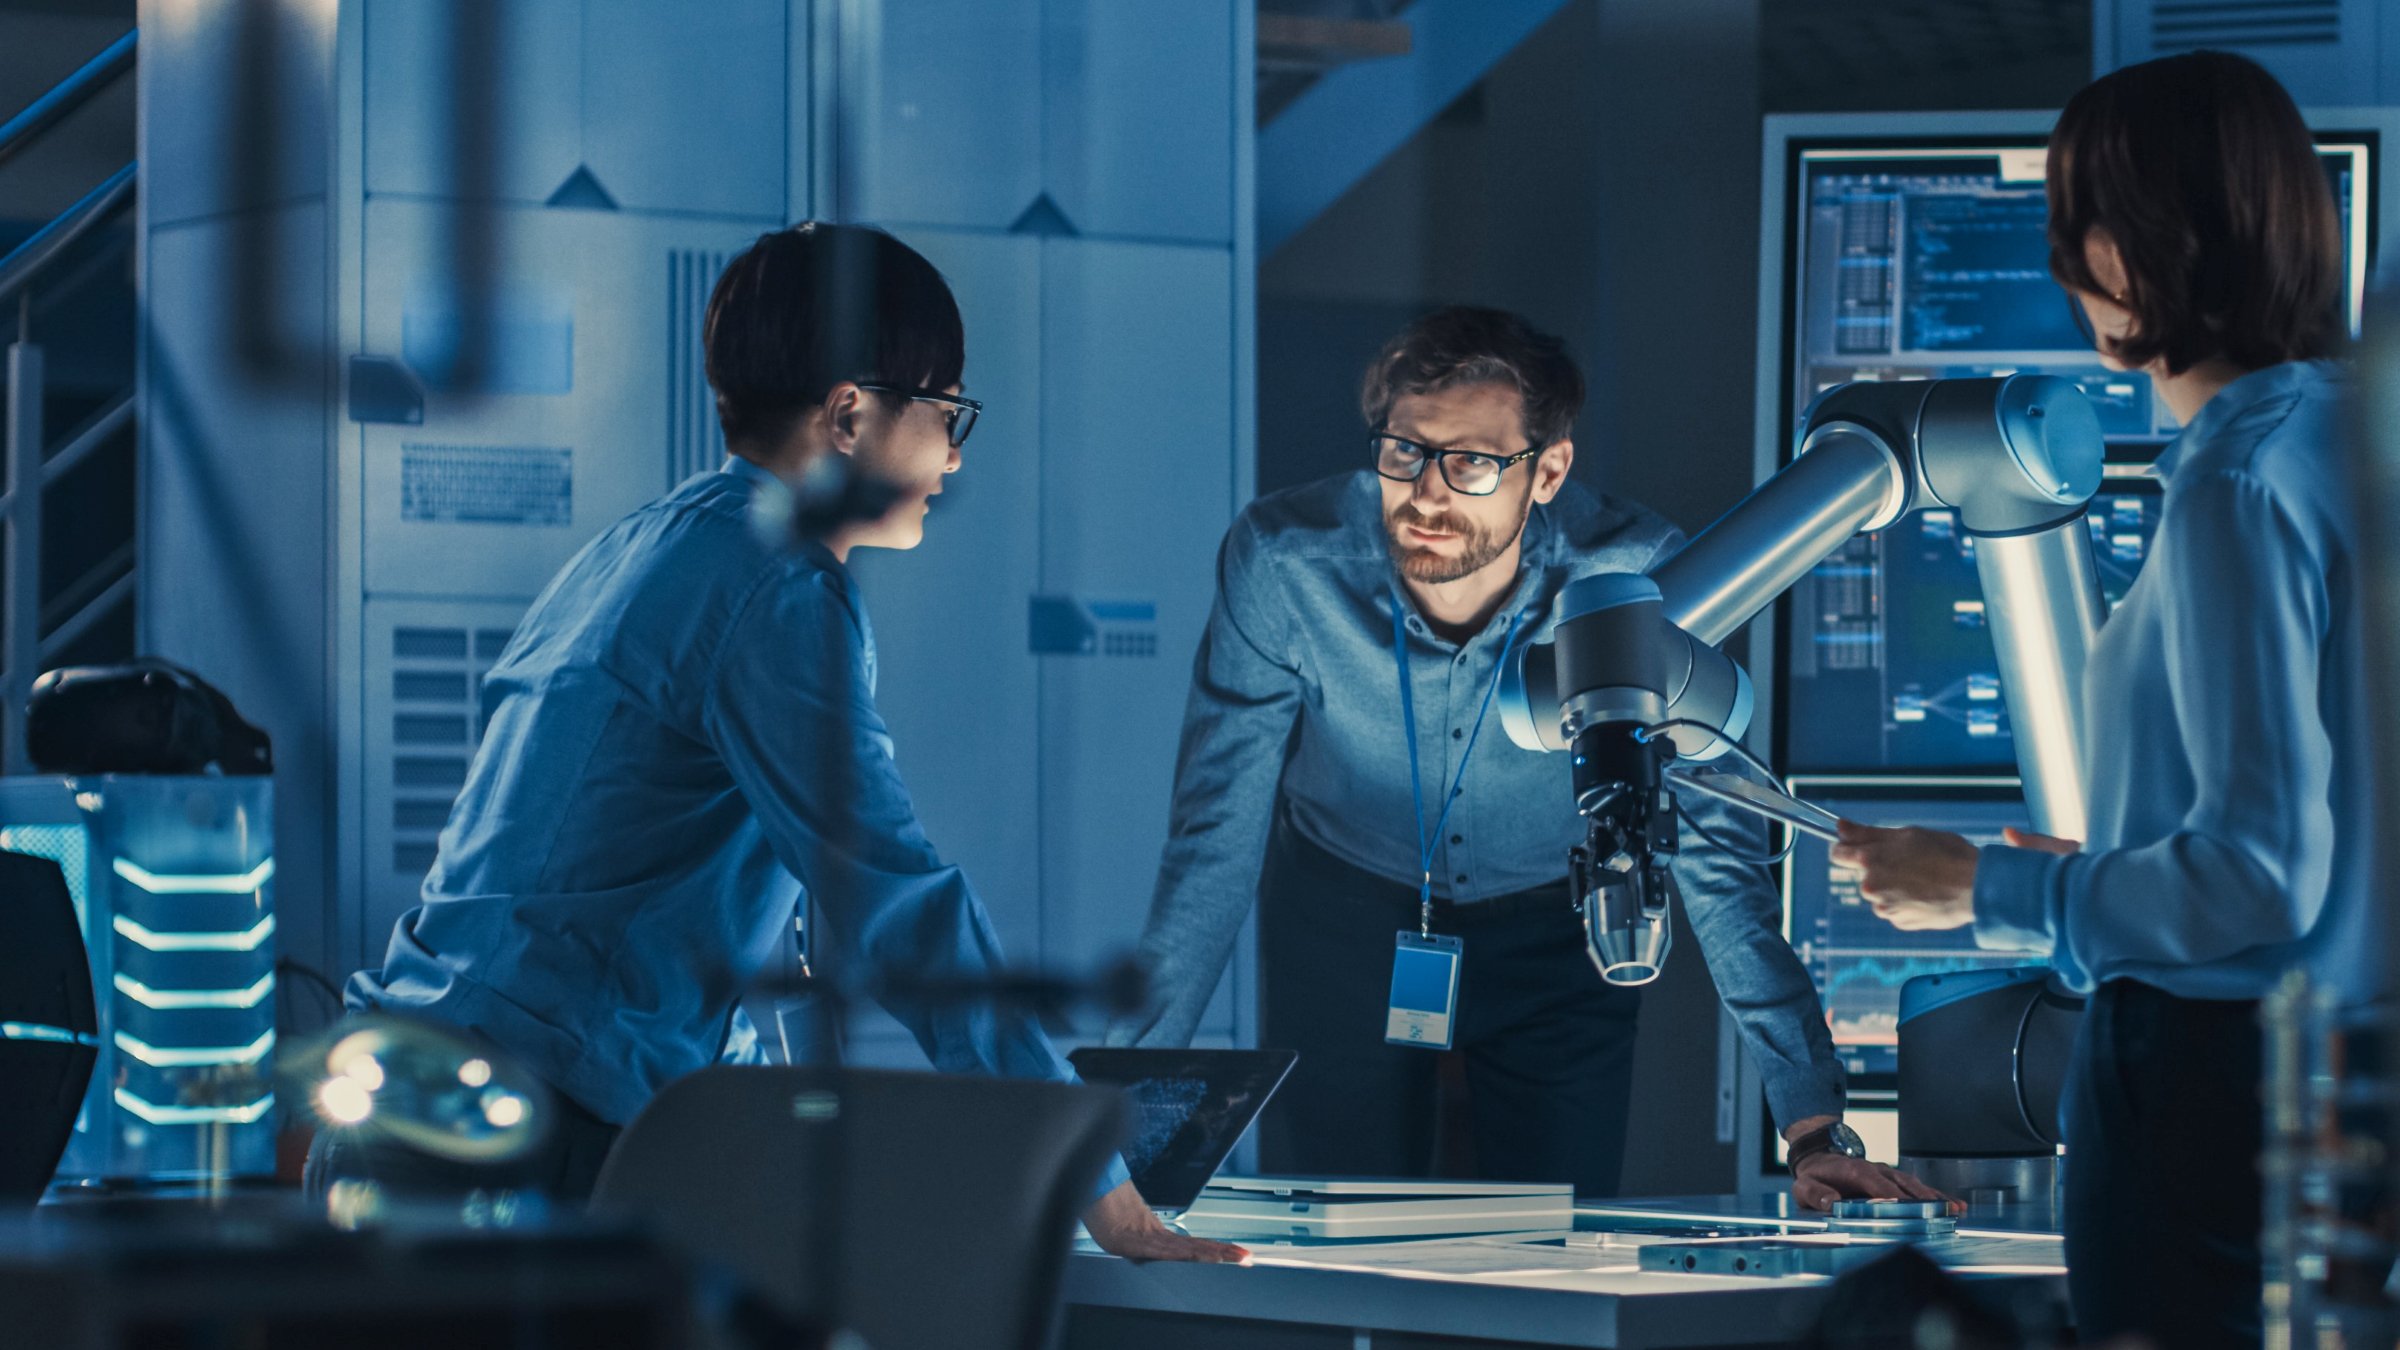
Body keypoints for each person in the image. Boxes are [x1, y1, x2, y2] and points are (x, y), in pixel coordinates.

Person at [320, 222, 1241, 1264]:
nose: (954, 454)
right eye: (946, 411)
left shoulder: (648, 544)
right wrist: (1095, 1178)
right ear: (850, 414)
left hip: (421, 1108)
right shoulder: (779, 589)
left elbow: (655, 901)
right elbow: (898, 901)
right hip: (507, 1146)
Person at [1112, 306, 1942, 1208]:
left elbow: (1712, 851)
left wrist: (1811, 1122)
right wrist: (1120, 1118)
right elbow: (1214, 834)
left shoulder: (1640, 578)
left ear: (1548, 471)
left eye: (1471, 462)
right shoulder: (1285, 563)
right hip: (1345, 915)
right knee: (1333, 1237)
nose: (1427, 494)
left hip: (1558, 931)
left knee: (1556, 1247)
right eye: (1403, 451)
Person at [1831, 51, 2369, 1347]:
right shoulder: (2349, 440)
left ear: (2126, 253)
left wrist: (1985, 887)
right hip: (2330, 1085)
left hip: (2210, 1091)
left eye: (2073, 226)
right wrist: (2102, 874)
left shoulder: (2237, 478)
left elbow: (2261, 876)